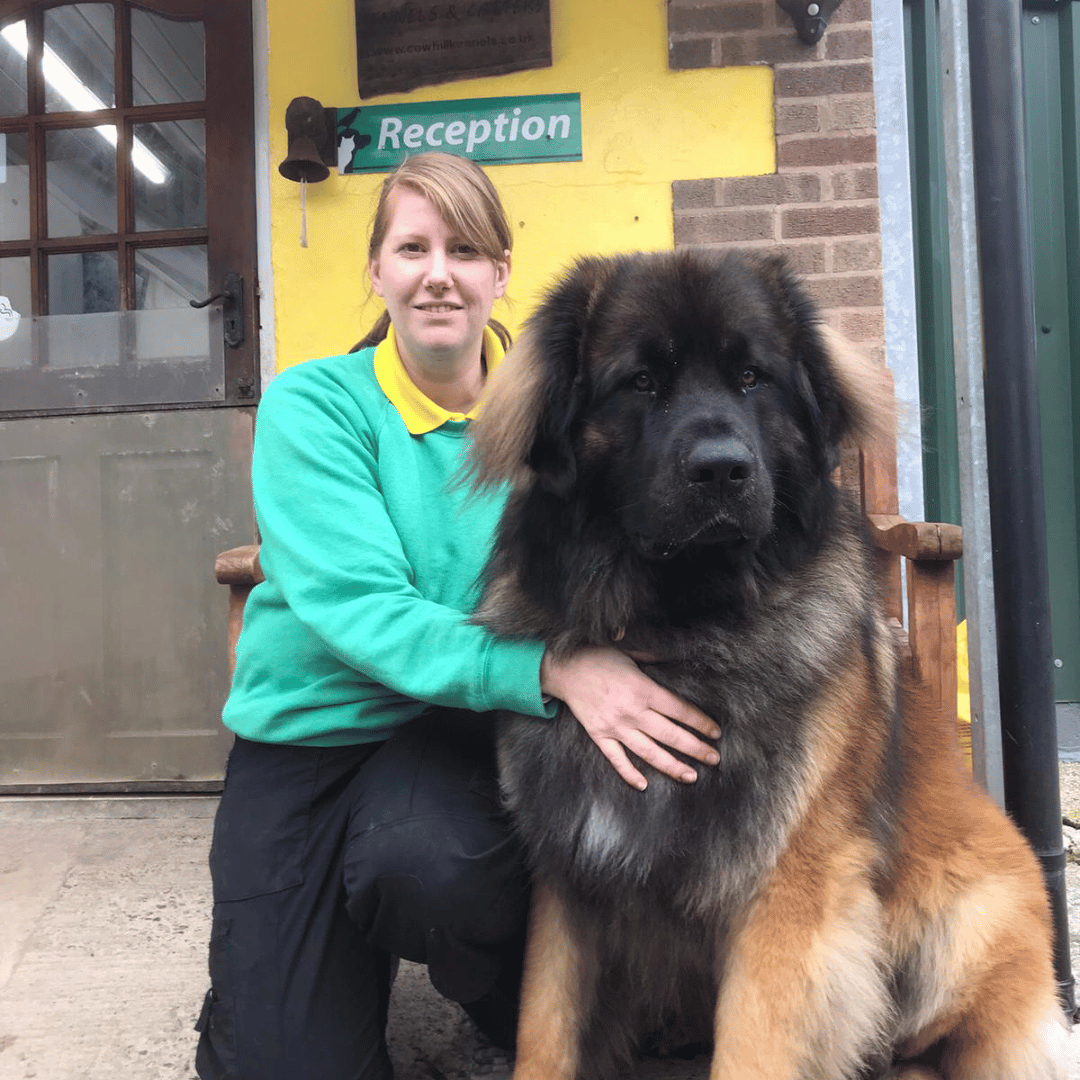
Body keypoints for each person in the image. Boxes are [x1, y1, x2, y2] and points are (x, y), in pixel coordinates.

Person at [194, 151, 721, 1080]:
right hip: (310, 740)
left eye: (467, 249)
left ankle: (502, 997)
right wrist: (551, 665)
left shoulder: (555, 412)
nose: (439, 273)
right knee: (283, 1063)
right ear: (377, 271)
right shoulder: (317, 406)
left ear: (501, 272)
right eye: (413, 247)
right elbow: (362, 610)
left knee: (435, 871)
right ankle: (268, 970)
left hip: (450, 735)